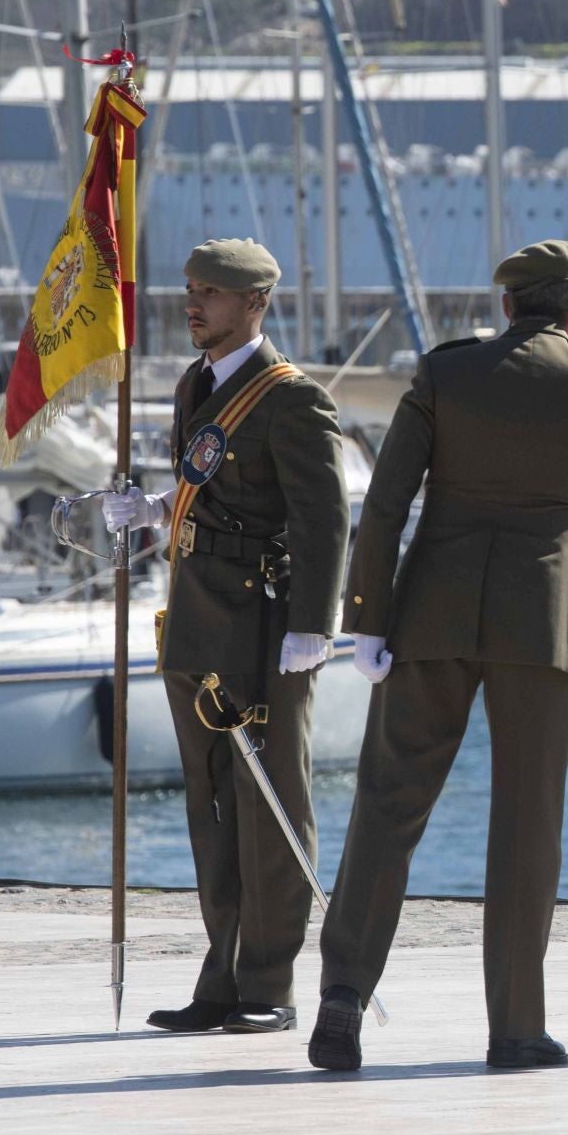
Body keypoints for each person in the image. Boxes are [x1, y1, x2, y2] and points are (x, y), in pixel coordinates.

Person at [307, 240, 568, 1071]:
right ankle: (515, 1028)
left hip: (431, 611)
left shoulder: (447, 373)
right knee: (525, 824)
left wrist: (367, 616)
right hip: (541, 622)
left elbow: (387, 503)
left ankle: (342, 996)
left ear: (508, 304)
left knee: (386, 808)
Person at [103, 238, 349, 1035]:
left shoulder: (290, 398)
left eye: (211, 291)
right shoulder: (194, 384)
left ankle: (268, 983)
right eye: (190, 289)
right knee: (210, 807)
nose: (194, 303)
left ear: (254, 302)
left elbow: (323, 520)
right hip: (199, 623)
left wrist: (315, 627)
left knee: (269, 802)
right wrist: (150, 512)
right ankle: (222, 975)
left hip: (264, 626)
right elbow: (200, 491)